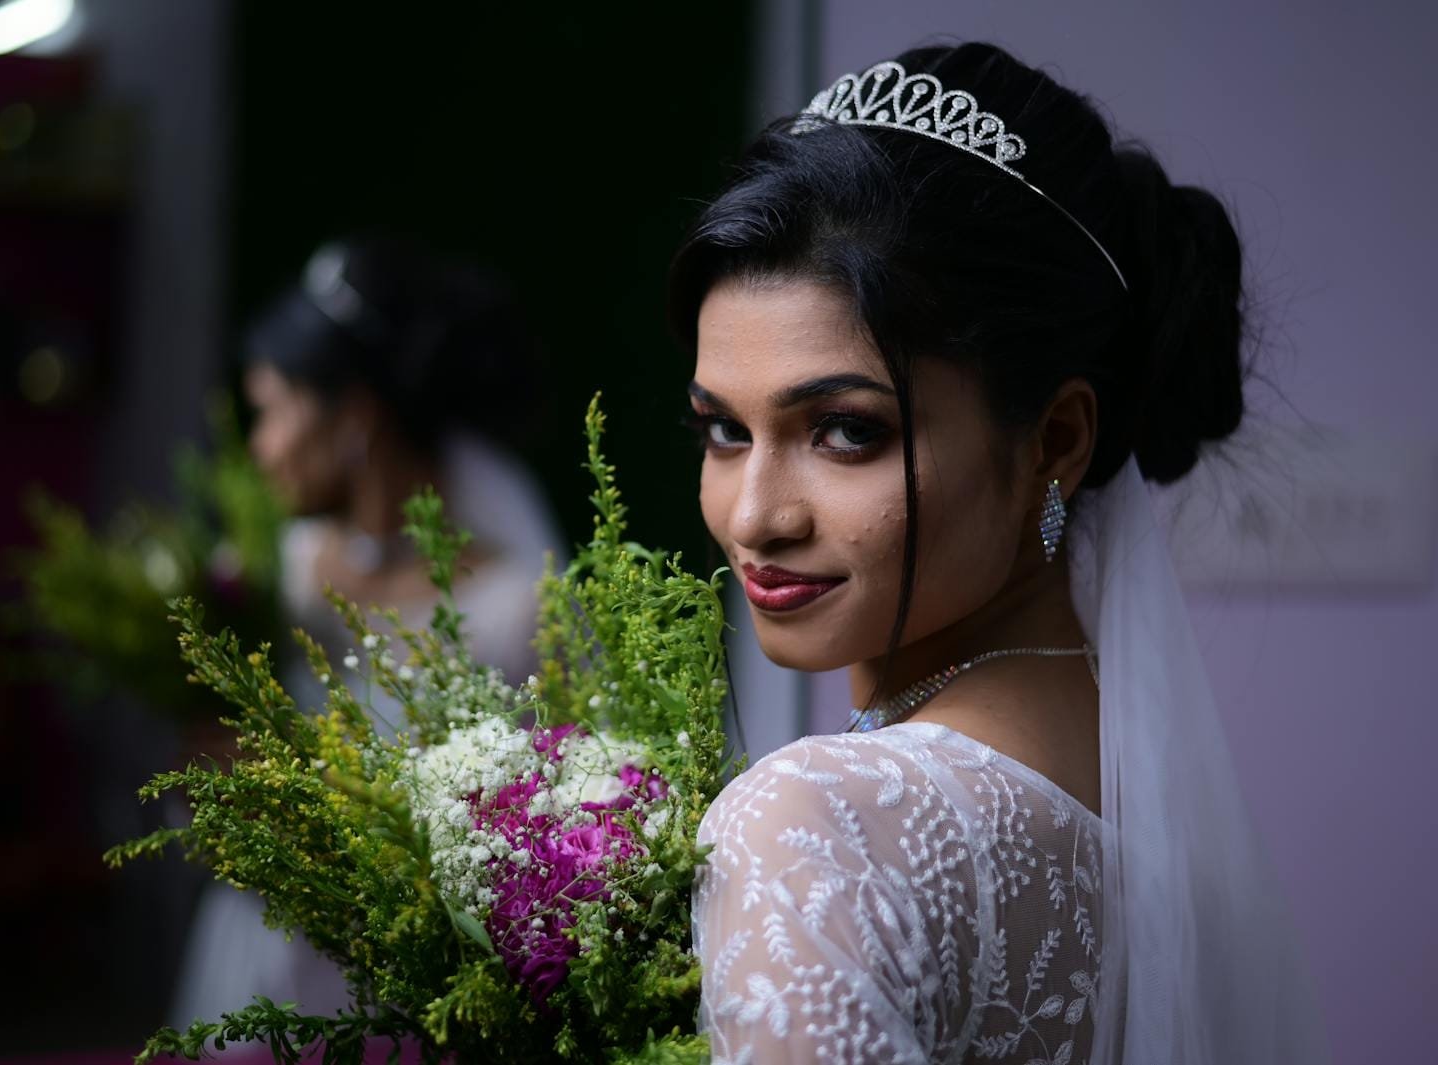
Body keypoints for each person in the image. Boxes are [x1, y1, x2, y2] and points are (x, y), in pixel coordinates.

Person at [675, 42, 1327, 1064]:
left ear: (1055, 440)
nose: (755, 516)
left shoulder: (812, 830)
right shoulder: (1162, 835)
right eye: (724, 430)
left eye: (847, 431)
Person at [172, 234, 562, 1026]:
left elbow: (536, 834)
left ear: (351, 417)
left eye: (273, 410)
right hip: (253, 961)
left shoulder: (512, 609)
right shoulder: (267, 576)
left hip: (415, 989)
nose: (259, 446)